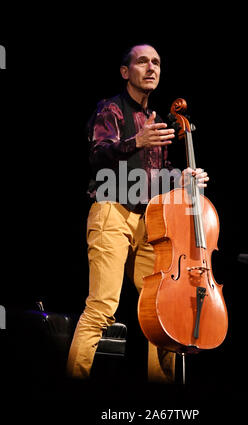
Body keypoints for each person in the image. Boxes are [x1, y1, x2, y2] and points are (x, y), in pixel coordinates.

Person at [66, 44, 209, 383]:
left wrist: (181, 177)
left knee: (162, 312)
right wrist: (136, 141)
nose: (151, 68)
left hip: (148, 221)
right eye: (142, 61)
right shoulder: (111, 110)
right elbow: (98, 156)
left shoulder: (156, 121)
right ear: (124, 71)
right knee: (102, 308)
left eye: (156, 62)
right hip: (111, 213)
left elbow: (157, 175)